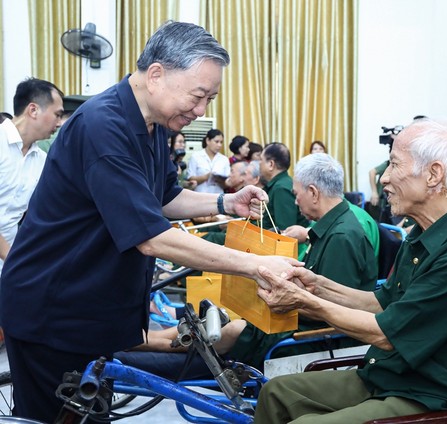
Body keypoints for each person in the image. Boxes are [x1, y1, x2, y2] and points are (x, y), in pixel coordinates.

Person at [0, 21, 298, 422]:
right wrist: (258, 265)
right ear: (156, 75)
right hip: (52, 311)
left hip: (91, 308)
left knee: (89, 413)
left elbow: (165, 197)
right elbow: (152, 237)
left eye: (210, 98)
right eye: (198, 96)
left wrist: (226, 202)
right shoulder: (102, 127)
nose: (201, 111)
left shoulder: (153, 125)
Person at [253, 118, 447, 423]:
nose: (383, 178)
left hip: (436, 393)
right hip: (393, 373)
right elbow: (383, 301)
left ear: (434, 175)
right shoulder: (423, 233)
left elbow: (386, 334)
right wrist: (316, 284)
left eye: (394, 165)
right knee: (275, 393)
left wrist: (304, 301)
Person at [116, 153, 377, 374]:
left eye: (297, 195)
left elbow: (333, 310)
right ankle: (150, 339)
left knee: (233, 328)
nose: (295, 201)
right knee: (223, 317)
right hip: (296, 320)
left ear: (313, 193)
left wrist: (272, 299)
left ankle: (152, 344)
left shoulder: (343, 237)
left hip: (308, 336)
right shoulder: (333, 229)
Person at [0, 77, 64, 274]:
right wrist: (13, 259)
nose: (60, 123)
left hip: (7, 262)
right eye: (57, 115)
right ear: (33, 110)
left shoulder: (42, 159)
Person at [260, 142, 310, 231]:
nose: (259, 164)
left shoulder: (281, 188)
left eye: (261, 160)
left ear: (271, 164)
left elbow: (285, 231)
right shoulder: (280, 184)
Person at [186, 128, 230, 193]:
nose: (219, 145)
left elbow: (227, 183)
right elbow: (190, 178)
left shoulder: (224, 159)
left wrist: (220, 180)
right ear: (208, 141)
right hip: (200, 195)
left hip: (218, 196)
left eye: (221, 142)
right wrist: (206, 177)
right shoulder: (196, 156)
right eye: (216, 141)